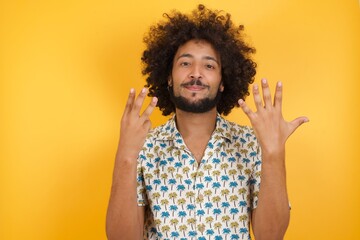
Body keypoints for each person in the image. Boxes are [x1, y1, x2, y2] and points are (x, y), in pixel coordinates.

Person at [106, 4, 308, 240]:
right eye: (185, 63)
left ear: (223, 81)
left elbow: (271, 236)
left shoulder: (252, 143)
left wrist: (274, 153)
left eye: (209, 65)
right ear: (169, 78)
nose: (196, 73)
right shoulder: (142, 146)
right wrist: (125, 156)